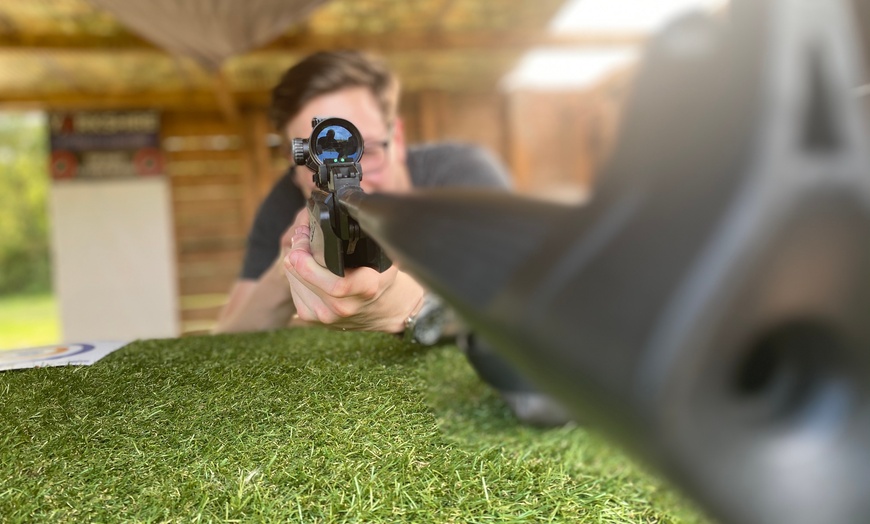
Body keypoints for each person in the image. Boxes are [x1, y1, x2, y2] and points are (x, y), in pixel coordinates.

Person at [214, 50, 570, 426]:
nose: (353, 173)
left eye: (362, 148)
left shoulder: (459, 174)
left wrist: (413, 307)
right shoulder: (287, 199)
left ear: (396, 137)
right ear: (301, 159)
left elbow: (533, 304)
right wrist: (288, 269)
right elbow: (225, 342)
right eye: (322, 153)